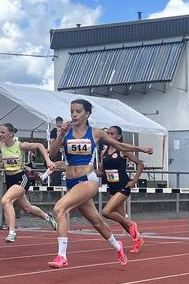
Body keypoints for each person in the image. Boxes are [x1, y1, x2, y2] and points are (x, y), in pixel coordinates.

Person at [46, 98, 152, 268]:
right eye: (72, 111)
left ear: (87, 114)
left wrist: (141, 149)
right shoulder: (66, 132)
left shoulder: (96, 133)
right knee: (97, 222)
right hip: (71, 182)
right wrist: (61, 134)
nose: (74, 114)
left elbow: (119, 145)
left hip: (88, 181)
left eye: (78, 111)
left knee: (60, 208)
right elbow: (51, 154)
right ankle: (118, 247)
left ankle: (62, 256)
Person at [0, 123, 58, 243]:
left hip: (21, 178)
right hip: (10, 180)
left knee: (6, 200)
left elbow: (39, 145)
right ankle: (48, 217)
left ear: (11, 134)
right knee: (28, 208)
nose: (0, 135)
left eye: (3, 132)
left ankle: (12, 232)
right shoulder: (0, 146)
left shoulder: (19, 145)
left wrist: (48, 160)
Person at [99, 125, 148, 253]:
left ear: (119, 136)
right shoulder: (103, 153)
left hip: (123, 186)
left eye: (112, 134)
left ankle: (132, 224)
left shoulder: (122, 150)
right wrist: (85, 171)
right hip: (112, 187)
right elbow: (101, 172)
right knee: (121, 219)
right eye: (108, 134)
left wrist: (134, 180)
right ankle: (137, 239)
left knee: (106, 212)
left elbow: (140, 164)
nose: (109, 136)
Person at [47, 117, 66, 187]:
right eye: (58, 122)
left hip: (63, 151)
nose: (60, 124)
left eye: (61, 122)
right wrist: (58, 137)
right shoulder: (54, 130)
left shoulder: (65, 130)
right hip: (56, 152)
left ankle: (60, 183)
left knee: (64, 166)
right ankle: (54, 184)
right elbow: (51, 141)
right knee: (55, 168)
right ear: (56, 123)